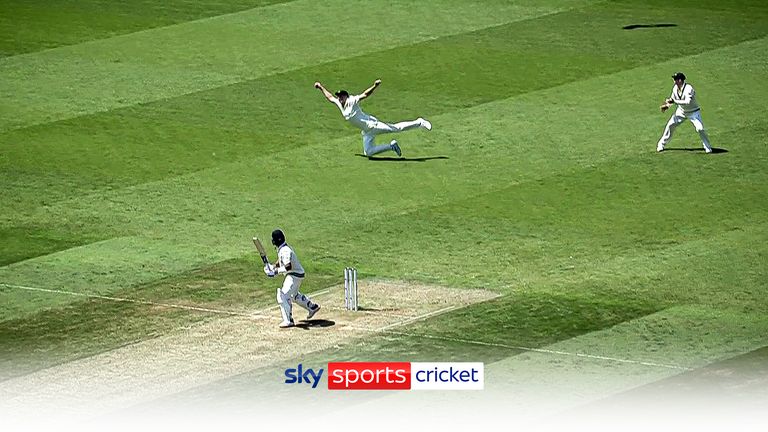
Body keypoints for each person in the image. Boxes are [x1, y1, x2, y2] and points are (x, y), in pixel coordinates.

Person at [314, 79, 432, 157]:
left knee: (396, 128)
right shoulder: (339, 104)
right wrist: (320, 87)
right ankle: (391, 146)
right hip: (366, 131)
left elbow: (365, 94)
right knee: (368, 153)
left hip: (373, 125)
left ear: (346, 96)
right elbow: (329, 97)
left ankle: (419, 122)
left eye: (342, 96)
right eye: (339, 96)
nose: (340, 98)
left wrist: (374, 86)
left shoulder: (352, 100)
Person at [263, 229, 320, 328]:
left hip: (294, 275)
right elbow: (281, 261)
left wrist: (275, 272)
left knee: (283, 295)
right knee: (293, 295)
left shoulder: (285, 250)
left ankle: (288, 320)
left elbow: (288, 266)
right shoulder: (283, 248)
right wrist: (272, 267)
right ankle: (312, 307)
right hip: (297, 274)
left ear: (276, 240)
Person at [657, 72, 713, 153]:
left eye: (675, 79)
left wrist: (674, 101)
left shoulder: (689, 88)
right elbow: (672, 99)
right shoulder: (675, 88)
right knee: (670, 125)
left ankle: (707, 147)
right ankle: (661, 144)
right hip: (681, 111)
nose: (674, 81)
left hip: (693, 112)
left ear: (680, 80)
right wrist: (667, 105)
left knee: (700, 129)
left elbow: (687, 102)